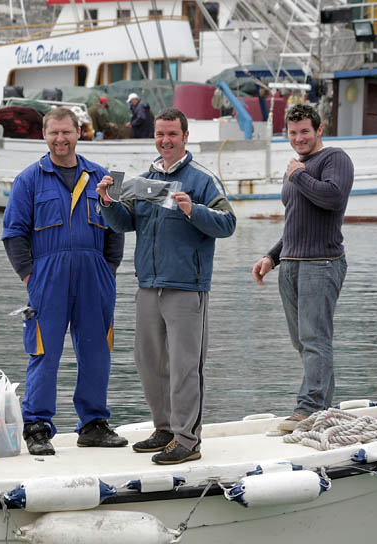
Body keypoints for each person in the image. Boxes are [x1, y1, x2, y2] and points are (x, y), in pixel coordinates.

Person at [97, 107, 236, 464]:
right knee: (149, 363)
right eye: (160, 134)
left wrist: (194, 211)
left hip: (187, 287)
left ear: (185, 137)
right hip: (148, 285)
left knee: (185, 366)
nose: (165, 140)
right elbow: (124, 223)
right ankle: (164, 428)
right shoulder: (144, 180)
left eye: (172, 134)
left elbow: (228, 223)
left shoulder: (202, 180)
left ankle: (188, 439)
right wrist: (107, 202)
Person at [2, 106, 128, 456]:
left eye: (67, 132)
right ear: (44, 135)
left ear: (79, 133)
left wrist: (108, 269)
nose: (60, 139)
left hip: (95, 276)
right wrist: (30, 275)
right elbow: (13, 234)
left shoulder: (102, 177)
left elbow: (116, 228)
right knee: (44, 351)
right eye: (54, 133)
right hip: (47, 277)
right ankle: (38, 427)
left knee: (96, 349)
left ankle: (93, 424)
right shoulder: (29, 179)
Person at [251, 103, 354, 433]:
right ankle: (323, 409)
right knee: (304, 342)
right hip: (292, 265)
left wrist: (299, 174)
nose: (299, 138)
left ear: (319, 130)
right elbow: (296, 222)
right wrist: (272, 257)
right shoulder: (298, 167)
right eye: (293, 133)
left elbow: (333, 198)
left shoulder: (334, 159)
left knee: (315, 339)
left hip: (321, 264)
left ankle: (308, 408)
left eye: (305, 131)